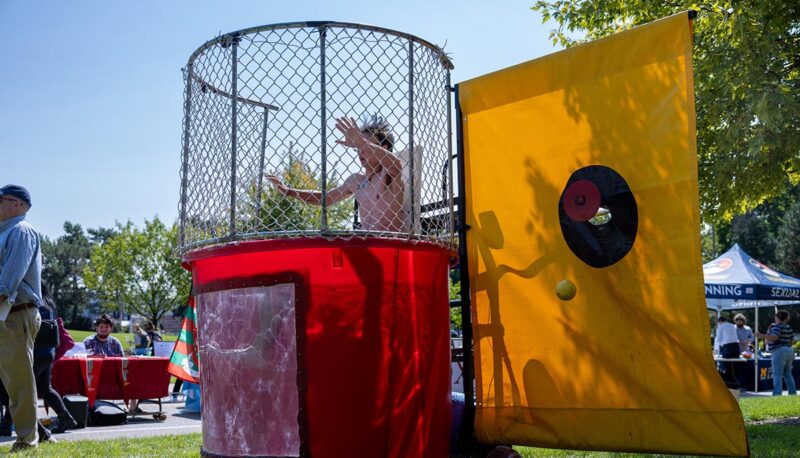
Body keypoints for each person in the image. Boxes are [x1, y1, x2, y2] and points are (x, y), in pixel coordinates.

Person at [265, 115, 407, 233]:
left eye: (366, 145)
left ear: (384, 147)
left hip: (388, 244)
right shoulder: (356, 180)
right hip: (363, 244)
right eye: (358, 146)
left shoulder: (389, 175)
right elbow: (326, 199)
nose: (361, 150)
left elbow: (395, 164)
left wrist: (360, 141)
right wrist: (289, 191)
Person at [0, 184, 45, 451]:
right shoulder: (5, 233)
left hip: (16, 314)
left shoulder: (21, 232)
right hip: (8, 314)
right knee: (15, 382)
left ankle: (27, 440)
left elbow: (7, 284)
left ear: (18, 204)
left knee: (19, 382)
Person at [0, 284, 78, 435]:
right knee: (45, 388)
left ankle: (11, 426)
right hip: (48, 352)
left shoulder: (33, 303)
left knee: (19, 389)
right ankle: (66, 417)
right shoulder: (50, 305)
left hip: (34, 351)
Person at [757, 310, 797, 396]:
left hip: (779, 351)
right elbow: (791, 340)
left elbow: (774, 337)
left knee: (777, 374)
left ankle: (777, 394)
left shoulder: (777, 327)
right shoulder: (788, 327)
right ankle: (793, 393)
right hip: (789, 350)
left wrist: (761, 335)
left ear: (778, 317)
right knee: (788, 374)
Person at [713, 316, 741, 389]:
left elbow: (718, 339)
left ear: (720, 322)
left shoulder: (720, 327)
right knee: (735, 366)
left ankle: (729, 384)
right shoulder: (732, 326)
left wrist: (722, 346)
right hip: (736, 347)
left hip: (728, 347)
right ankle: (736, 383)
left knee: (726, 366)